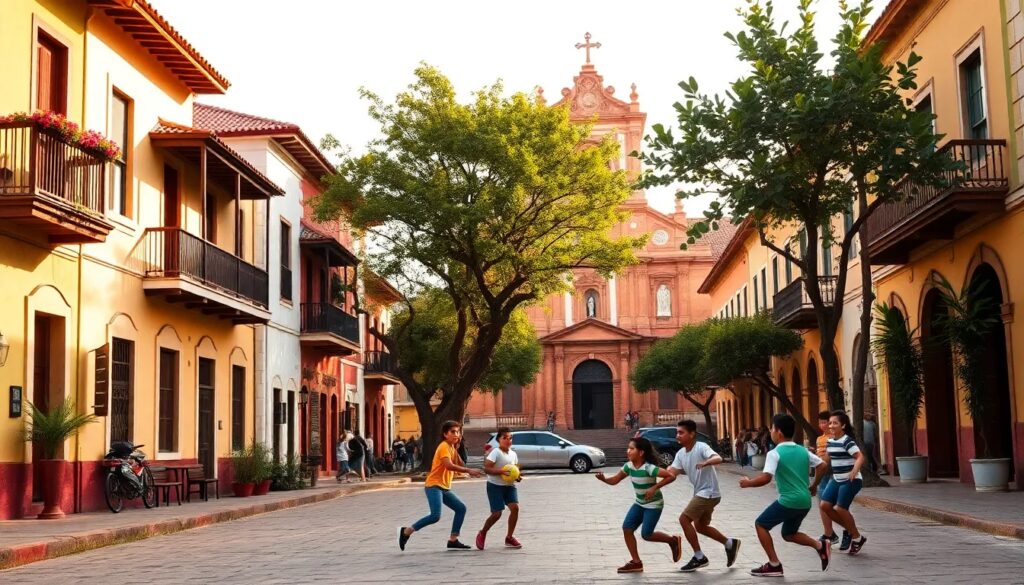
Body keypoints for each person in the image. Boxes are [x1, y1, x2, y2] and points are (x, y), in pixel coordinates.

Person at [739, 413, 830, 578]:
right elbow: (822, 465)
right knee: (789, 534)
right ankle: (820, 545)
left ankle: (774, 564)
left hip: (789, 500)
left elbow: (766, 478)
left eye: (772, 429)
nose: (772, 432)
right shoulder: (803, 451)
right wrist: (814, 485)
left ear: (778, 432)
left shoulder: (775, 453)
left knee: (761, 524)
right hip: (805, 501)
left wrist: (748, 483)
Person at [649, 419, 740, 572]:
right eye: (677, 432)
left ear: (692, 434)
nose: (677, 435)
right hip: (704, 493)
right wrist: (654, 476)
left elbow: (718, 458)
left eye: (681, 432)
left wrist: (706, 462)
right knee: (701, 526)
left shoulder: (701, 447)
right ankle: (730, 544)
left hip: (708, 492)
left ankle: (699, 557)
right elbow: (672, 474)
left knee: (684, 519)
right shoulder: (680, 454)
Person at [595, 437, 682, 574]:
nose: (628, 451)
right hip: (640, 503)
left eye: (631, 448)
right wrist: (604, 479)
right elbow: (615, 480)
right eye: (628, 448)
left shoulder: (649, 468)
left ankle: (672, 541)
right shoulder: (628, 466)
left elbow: (671, 476)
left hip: (654, 504)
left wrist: (654, 488)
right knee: (627, 528)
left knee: (646, 535)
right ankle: (636, 563)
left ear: (641, 452)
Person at [398, 421, 483, 551]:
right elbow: (449, 465)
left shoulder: (451, 447)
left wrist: (457, 447)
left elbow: (461, 464)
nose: (456, 434)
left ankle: (453, 540)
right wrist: (469, 471)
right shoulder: (443, 446)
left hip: (443, 487)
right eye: (453, 432)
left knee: (461, 508)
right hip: (433, 485)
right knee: (435, 516)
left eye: (458, 432)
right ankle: (406, 532)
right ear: (445, 434)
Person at [819, 411, 867, 555]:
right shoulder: (830, 441)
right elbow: (825, 460)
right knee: (825, 505)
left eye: (835, 423)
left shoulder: (847, 441)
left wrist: (854, 471)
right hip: (837, 479)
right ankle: (852, 531)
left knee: (840, 508)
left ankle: (857, 537)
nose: (831, 425)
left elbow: (860, 457)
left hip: (851, 480)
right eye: (830, 422)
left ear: (843, 425)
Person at [475, 427, 523, 550]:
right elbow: (487, 469)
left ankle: (509, 537)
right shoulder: (495, 452)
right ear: (499, 440)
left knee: (515, 508)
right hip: (495, 486)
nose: (508, 440)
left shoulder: (513, 454)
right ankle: (483, 532)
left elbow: (515, 470)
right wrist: (501, 471)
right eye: (505, 438)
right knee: (497, 514)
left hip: (509, 486)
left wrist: (517, 476)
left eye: (510, 438)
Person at [815, 411, 836, 544]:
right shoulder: (819, 439)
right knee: (822, 503)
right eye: (821, 422)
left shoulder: (834, 438)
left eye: (826, 422)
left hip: (832, 471)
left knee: (833, 504)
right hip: (822, 472)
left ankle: (848, 531)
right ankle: (828, 532)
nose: (823, 425)